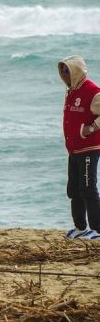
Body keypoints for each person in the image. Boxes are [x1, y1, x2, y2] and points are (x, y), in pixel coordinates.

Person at [59, 55, 100, 240]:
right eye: (62, 71)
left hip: (88, 148)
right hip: (74, 149)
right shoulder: (71, 90)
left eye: (67, 70)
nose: (63, 75)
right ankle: (80, 227)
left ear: (75, 72)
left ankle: (98, 230)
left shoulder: (92, 91)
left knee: (88, 188)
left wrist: (92, 128)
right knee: (73, 189)